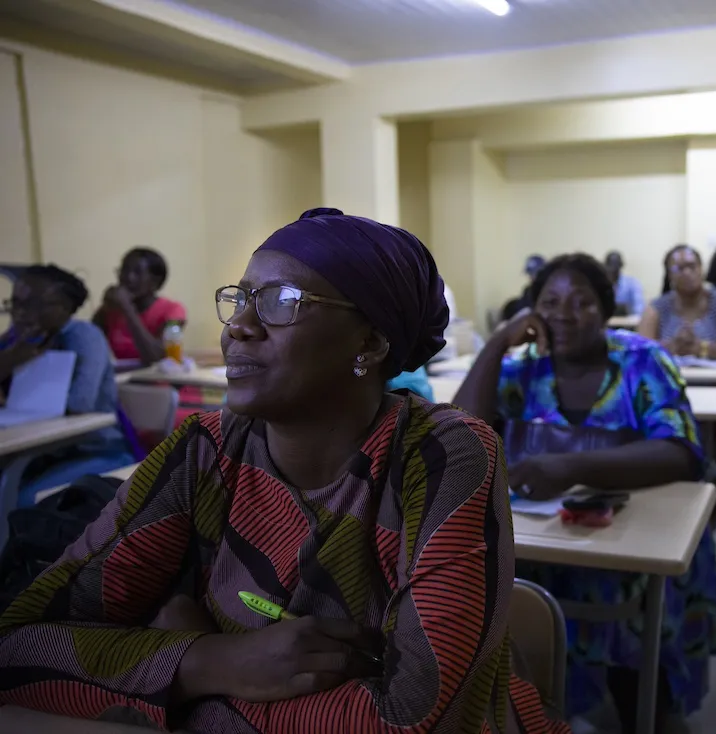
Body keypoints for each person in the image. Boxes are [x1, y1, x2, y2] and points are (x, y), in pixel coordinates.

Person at [0, 209, 569, 733]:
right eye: (240, 299)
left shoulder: (443, 456)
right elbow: (18, 647)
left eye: (281, 301)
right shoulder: (205, 451)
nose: (238, 327)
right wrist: (212, 661)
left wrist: (167, 673)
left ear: (369, 342)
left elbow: (416, 718)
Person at [452, 253, 716, 732]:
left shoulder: (642, 360)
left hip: (636, 556)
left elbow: (683, 452)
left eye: (582, 302)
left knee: (642, 695)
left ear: (606, 309)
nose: (564, 314)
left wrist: (571, 466)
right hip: (552, 550)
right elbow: (462, 436)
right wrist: (495, 345)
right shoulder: (526, 369)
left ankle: (641, 700)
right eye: (549, 302)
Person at [0, 265, 134, 506]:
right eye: (15, 303)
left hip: (95, 449)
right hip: (40, 452)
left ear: (63, 307)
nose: (19, 313)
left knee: (25, 499)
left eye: (31, 304)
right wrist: (10, 357)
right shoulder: (19, 339)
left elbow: (79, 404)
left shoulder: (83, 336)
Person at [640, 244, 716, 438]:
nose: (688, 273)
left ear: (702, 269)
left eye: (693, 266)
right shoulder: (657, 307)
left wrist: (699, 348)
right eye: (679, 268)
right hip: (668, 385)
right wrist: (674, 345)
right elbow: (641, 348)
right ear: (669, 275)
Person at [94, 247, 187, 366]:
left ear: (155, 281)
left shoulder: (173, 310)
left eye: (137, 272)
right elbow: (88, 345)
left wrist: (128, 309)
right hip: (126, 380)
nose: (128, 277)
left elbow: (155, 358)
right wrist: (104, 307)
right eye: (124, 270)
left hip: (162, 381)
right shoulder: (111, 311)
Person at [501, 254, 546, 321]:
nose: (532, 277)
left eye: (536, 273)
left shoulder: (549, 292)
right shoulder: (528, 291)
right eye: (530, 274)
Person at [604, 250, 646, 316]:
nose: (612, 267)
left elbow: (639, 310)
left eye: (615, 263)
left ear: (621, 265)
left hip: (628, 324)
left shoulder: (632, 283)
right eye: (609, 264)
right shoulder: (602, 284)